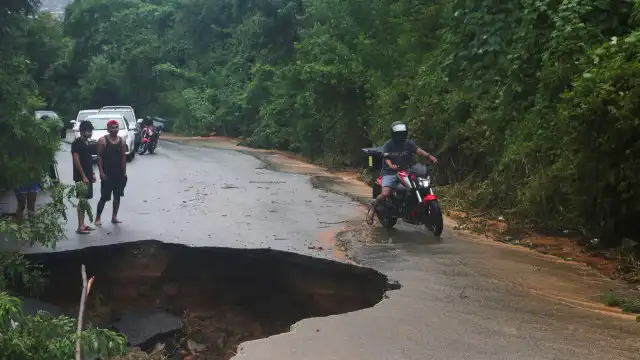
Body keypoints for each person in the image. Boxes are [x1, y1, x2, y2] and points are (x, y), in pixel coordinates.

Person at [366, 121, 439, 224]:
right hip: (390, 172)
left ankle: (415, 208)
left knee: (420, 184)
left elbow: (418, 150)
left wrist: (429, 156)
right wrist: (391, 165)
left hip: (407, 170)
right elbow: (386, 157)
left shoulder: (408, 143)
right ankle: (373, 209)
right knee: (385, 193)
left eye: (402, 133)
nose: (400, 136)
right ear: (394, 134)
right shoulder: (388, 144)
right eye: (398, 134)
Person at [95, 119, 127, 226]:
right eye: (112, 127)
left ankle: (114, 216)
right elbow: (99, 156)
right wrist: (101, 172)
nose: (115, 129)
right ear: (108, 129)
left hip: (118, 173)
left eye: (116, 127)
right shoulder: (102, 141)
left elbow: (123, 157)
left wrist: (124, 172)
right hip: (107, 173)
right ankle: (98, 217)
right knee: (104, 197)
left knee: (117, 196)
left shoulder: (122, 141)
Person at [71, 120, 96, 234]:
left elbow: (89, 161)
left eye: (91, 131)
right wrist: (83, 176)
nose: (90, 133)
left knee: (85, 201)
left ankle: (83, 224)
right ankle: (80, 226)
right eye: (88, 131)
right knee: (82, 201)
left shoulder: (87, 143)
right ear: (82, 131)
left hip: (88, 176)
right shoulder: (76, 143)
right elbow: (76, 161)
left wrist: (93, 174)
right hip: (81, 177)